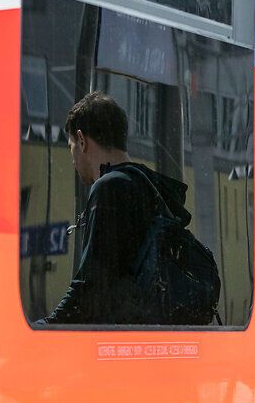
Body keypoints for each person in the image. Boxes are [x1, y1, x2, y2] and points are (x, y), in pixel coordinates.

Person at [47, 91, 192, 326]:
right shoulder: (149, 185)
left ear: (82, 140)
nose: (73, 160)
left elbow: (91, 288)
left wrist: (43, 328)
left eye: (72, 147)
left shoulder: (109, 188)